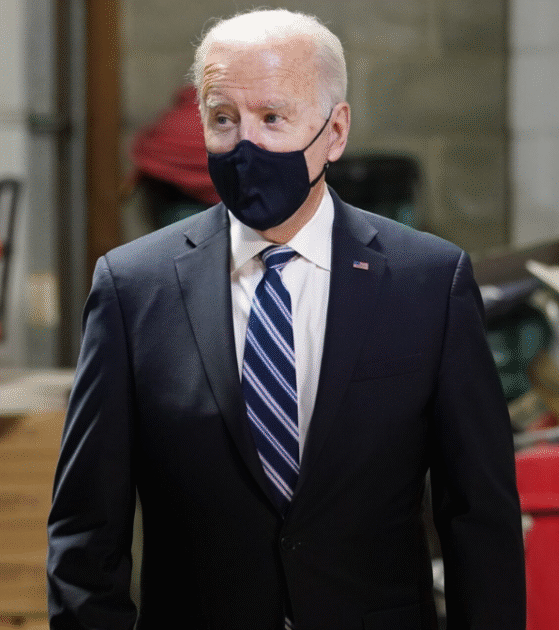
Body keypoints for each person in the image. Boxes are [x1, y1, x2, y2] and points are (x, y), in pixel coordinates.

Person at [46, 9, 524, 629]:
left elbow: (479, 517)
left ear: (335, 131)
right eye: (224, 119)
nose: (245, 145)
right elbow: (86, 529)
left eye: (273, 118)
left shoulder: (428, 283)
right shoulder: (133, 288)